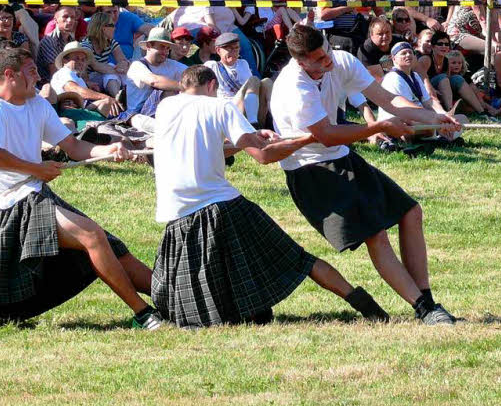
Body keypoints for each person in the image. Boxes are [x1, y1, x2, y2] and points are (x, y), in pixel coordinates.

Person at [150, 64, 387, 327]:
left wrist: (250, 137)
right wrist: (307, 139)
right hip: (221, 208)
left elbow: (206, 145)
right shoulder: (220, 107)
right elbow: (264, 156)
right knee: (298, 259)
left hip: (177, 212)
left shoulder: (165, 108)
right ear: (212, 86)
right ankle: (364, 304)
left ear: (184, 86)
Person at [270, 25, 459, 324]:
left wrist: (432, 117)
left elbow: (386, 99)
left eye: (327, 53)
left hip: (341, 157)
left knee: (411, 212)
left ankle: (429, 302)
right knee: (376, 234)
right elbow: (328, 135)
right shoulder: (293, 88)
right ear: (301, 61)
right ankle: (424, 309)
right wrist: (380, 128)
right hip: (311, 170)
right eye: (319, 60)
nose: (328, 63)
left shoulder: (340, 60)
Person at [0, 47, 164, 328]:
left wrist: (108, 149)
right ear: (9, 75)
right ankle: (143, 314)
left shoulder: (37, 105)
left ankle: (173, 301)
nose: (38, 77)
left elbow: (73, 146)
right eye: (31, 70)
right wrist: (37, 169)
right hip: (13, 205)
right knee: (91, 235)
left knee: (112, 247)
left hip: (35, 195)